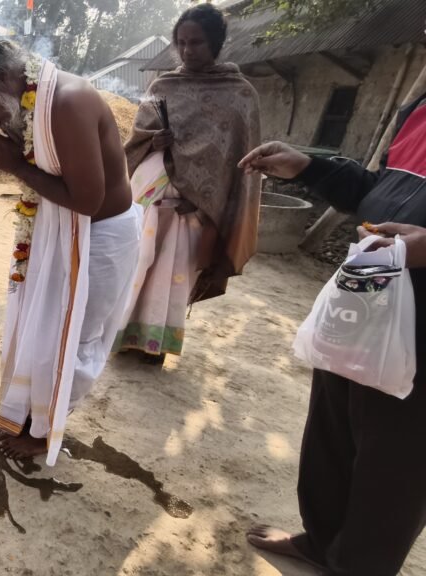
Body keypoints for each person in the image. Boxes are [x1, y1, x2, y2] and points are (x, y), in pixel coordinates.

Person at [238, 87, 426, 573]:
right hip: (366, 302)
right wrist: (309, 168)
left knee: (396, 465)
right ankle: (322, 542)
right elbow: (379, 193)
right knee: (333, 432)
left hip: (419, 334)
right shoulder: (418, 109)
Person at [0, 39, 141, 462]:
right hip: (63, 232)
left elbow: (87, 201)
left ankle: (45, 431)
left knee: (72, 337)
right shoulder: (31, 104)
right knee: (42, 330)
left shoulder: (67, 103)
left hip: (102, 236)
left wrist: (16, 166)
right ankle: (32, 413)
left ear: (4, 78)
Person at [116, 4, 261, 365]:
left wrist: (201, 199)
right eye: (181, 42)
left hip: (197, 208)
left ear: (216, 43)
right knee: (138, 261)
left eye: (196, 42)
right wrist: (155, 141)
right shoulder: (161, 85)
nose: (187, 50)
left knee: (173, 272)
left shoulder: (240, 94)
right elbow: (138, 136)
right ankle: (119, 333)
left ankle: (154, 346)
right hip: (153, 192)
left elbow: (237, 160)